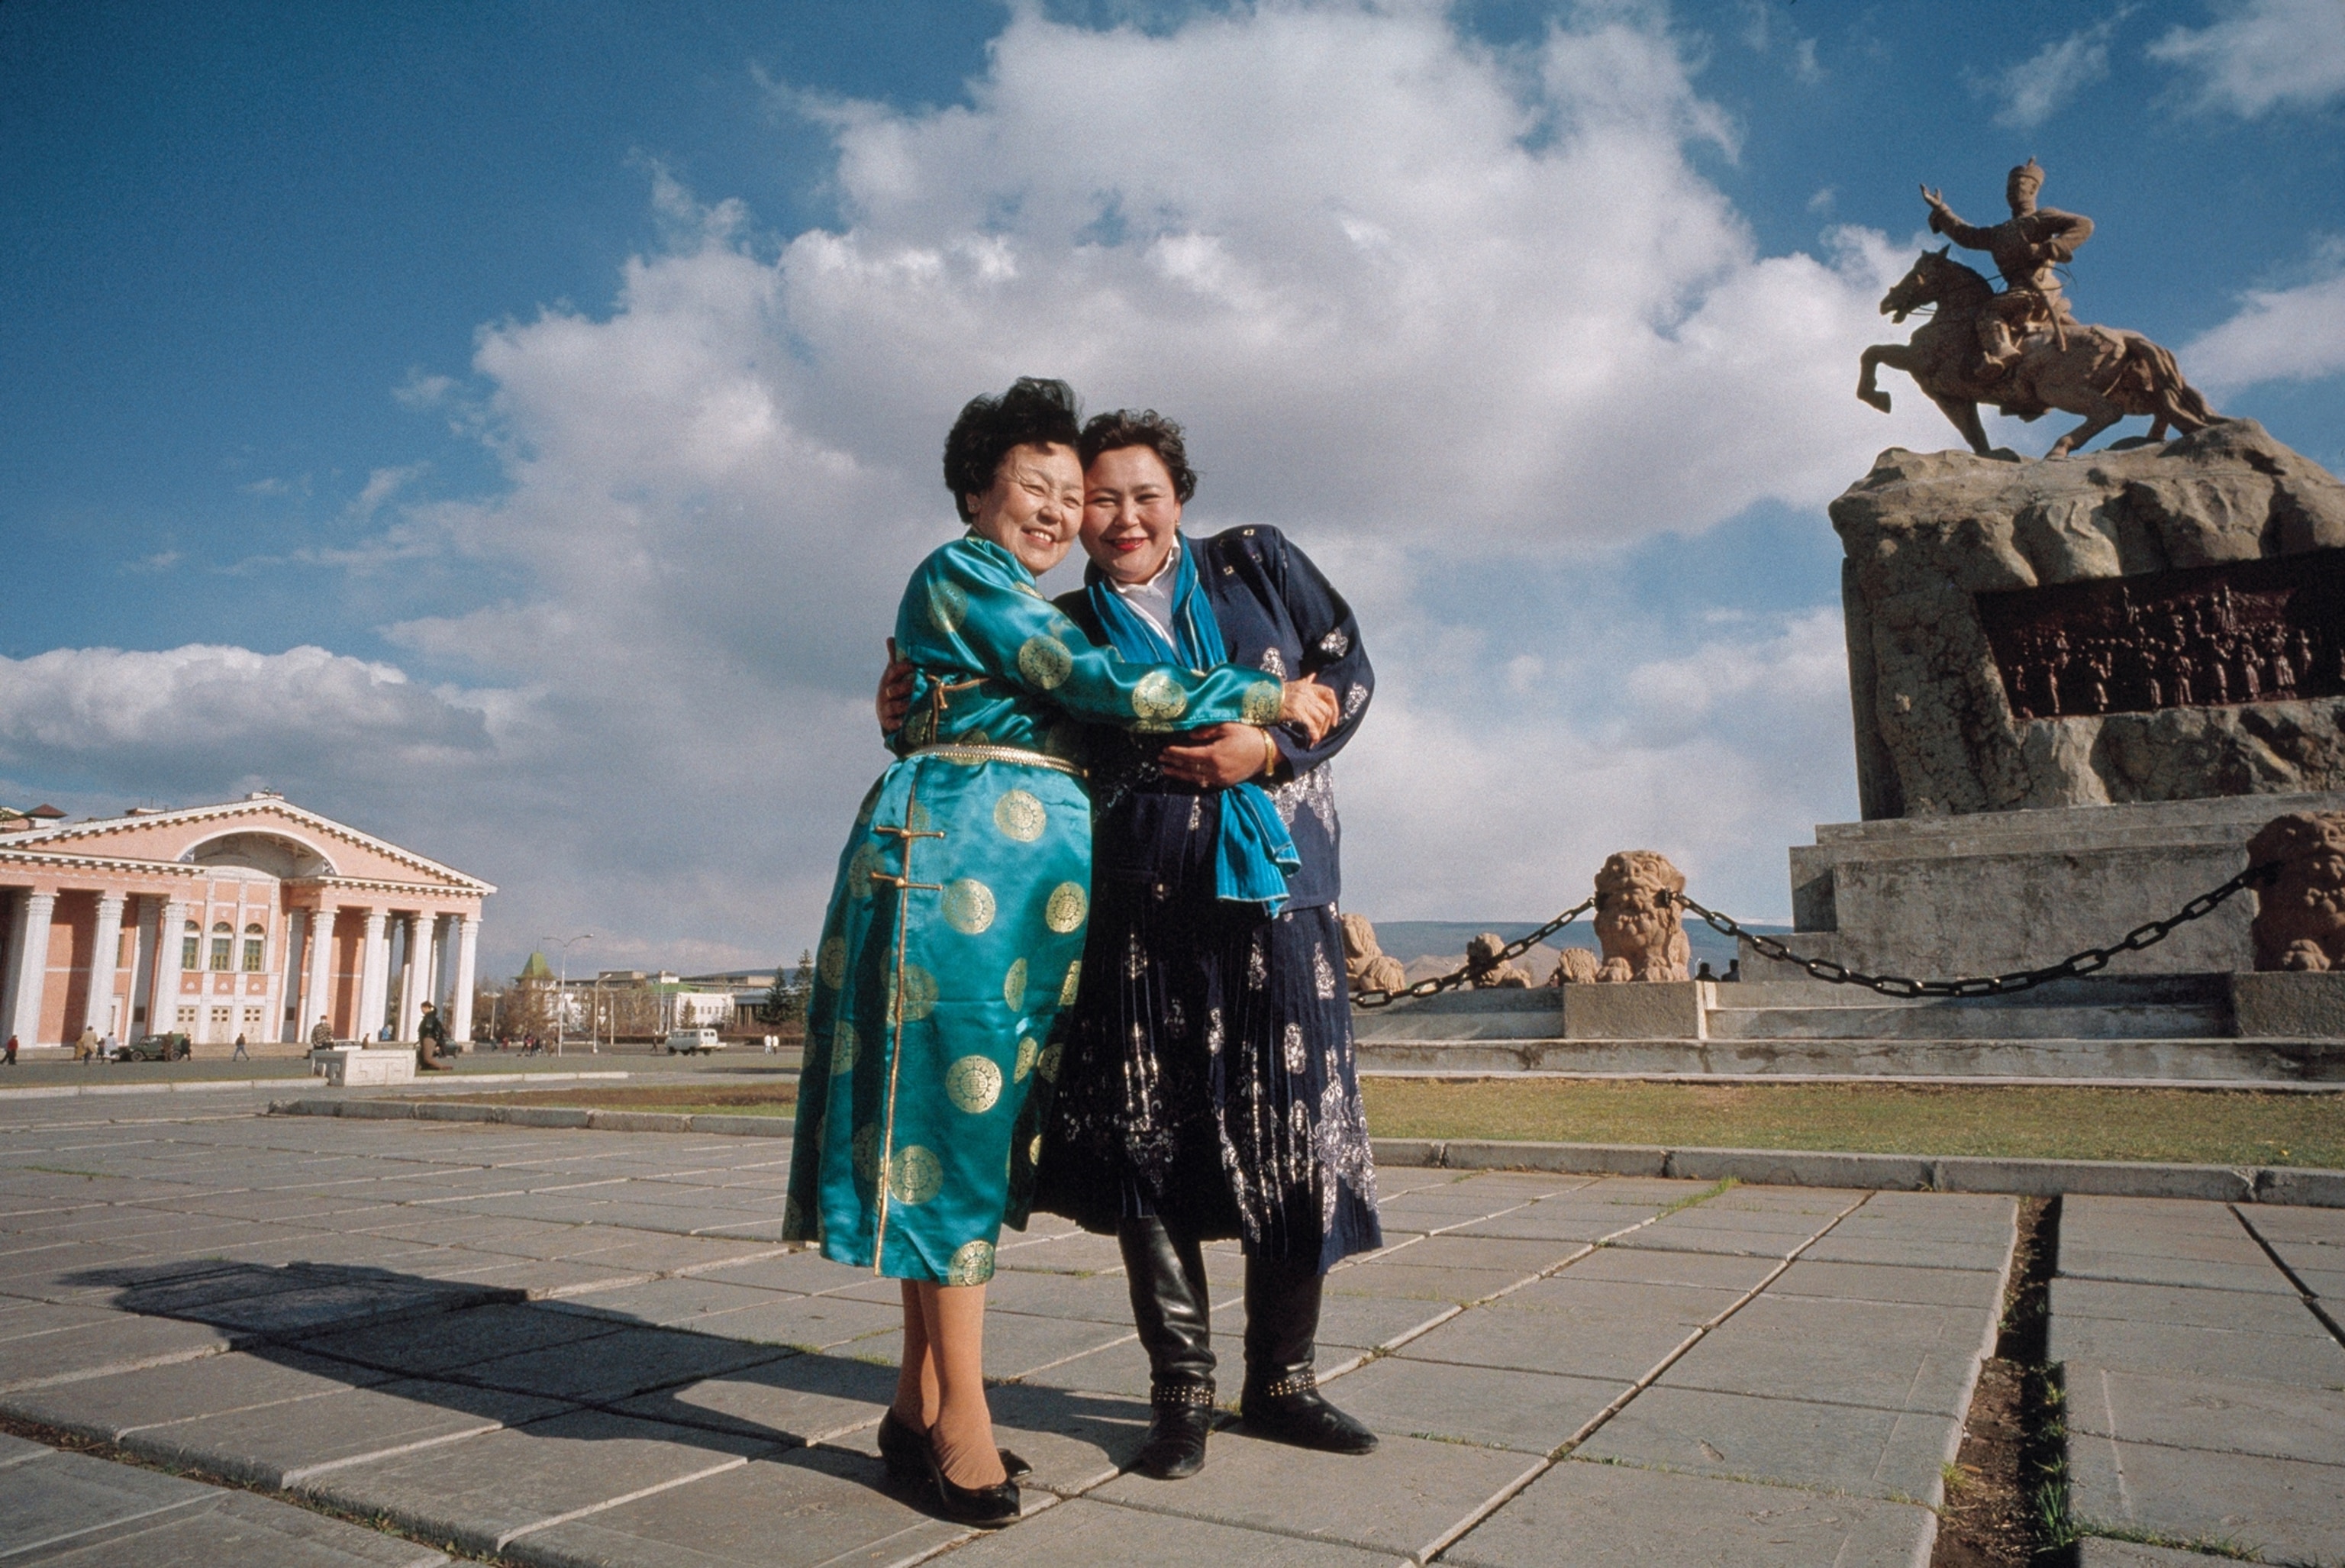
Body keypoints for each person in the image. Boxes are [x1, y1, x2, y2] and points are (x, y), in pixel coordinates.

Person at [782, 376, 1334, 1528]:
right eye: (1033, 489)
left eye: (1067, 493)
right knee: (953, 1132)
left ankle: (915, 1401)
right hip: (957, 871)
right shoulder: (971, 578)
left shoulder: (999, 597)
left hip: (1015, 887)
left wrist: (906, 701)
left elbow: (960, 696)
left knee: (969, 1129)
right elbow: (1100, 682)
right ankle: (962, 1426)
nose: (1056, 510)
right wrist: (1270, 694)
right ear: (975, 494)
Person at [1036, 410, 1382, 1477]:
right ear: (1076, 516)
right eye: (1101, 498)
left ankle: (1282, 1380)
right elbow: (990, 719)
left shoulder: (1258, 564)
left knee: (1296, 1137)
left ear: (1179, 497)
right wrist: (898, 691)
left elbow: (1348, 671)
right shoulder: (1057, 627)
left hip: (1281, 903)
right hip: (1137, 913)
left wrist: (1265, 749)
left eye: (1144, 493)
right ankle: (1178, 1390)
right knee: (1149, 1146)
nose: (1124, 516)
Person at [1921, 159, 2093, 374]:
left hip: (2038, 287)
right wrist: (1942, 210)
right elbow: (1966, 235)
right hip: (2017, 293)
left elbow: (2083, 224)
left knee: (1987, 313)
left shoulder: (2042, 218)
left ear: (2033, 189)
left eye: (2018, 186)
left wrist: (2049, 249)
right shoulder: (1999, 233)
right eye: (2009, 189)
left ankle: (2002, 351)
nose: (2013, 193)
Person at [416, 1003, 453, 1071]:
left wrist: (423, 1033)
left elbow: (428, 1027)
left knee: (427, 1058)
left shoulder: (429, 1016)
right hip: (430, 1038)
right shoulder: (432, 1016)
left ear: (426, 1007)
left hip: (428, 1038)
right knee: (422, 1056)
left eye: (422, 1008)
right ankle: (422, 1068)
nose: (422, 1010)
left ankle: (443, 1068)